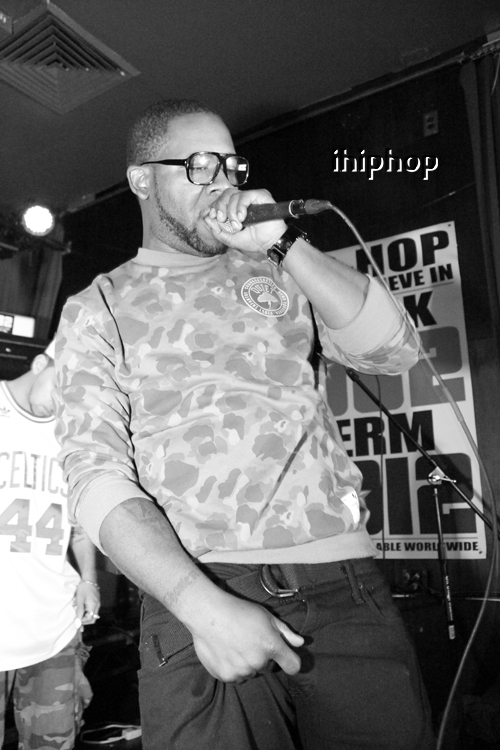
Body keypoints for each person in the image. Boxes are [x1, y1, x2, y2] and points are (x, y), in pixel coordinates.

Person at [53, 99, 435, 750]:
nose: (223, 181)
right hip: (200, 591)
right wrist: (202, 607)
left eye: (232, 165)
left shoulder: (278, 270)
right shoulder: (98, 308)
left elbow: (394, 349)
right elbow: (94, 477)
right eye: (201, 165)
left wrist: (283, 243)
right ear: (143, 180)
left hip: (342, 587)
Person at [0, 341, 100, 750]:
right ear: (41, 362)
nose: (63, 404)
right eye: (62, 386)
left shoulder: (73, 435)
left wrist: (89, 579)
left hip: (53, 629)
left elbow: (78, 522)